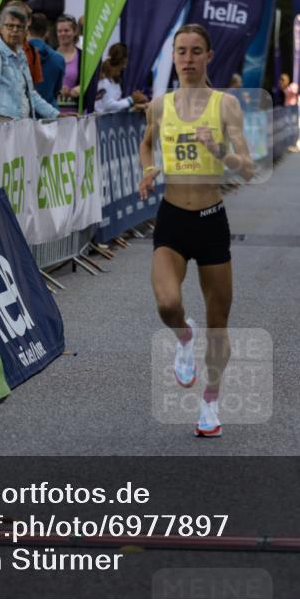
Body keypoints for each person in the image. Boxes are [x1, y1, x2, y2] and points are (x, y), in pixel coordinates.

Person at [137, 24, 255, 438]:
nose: (187, 59)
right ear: (174, 57)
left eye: (195, 52)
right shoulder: (160, 105)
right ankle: (184, 337)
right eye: (180, 51)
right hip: (172, 218)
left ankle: (210, 400)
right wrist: (149, 169)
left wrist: (218, 149)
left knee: (219, 322)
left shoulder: (225, 107)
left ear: (208, 57)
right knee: (168, 304)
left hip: (210, 222)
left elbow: (248, 167)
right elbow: (147, 143)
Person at [0, 6, 59, 125]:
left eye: (20, 27)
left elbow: (30, 94)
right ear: (0, 28)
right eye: (9, 26)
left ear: (26, 31)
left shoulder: (21, 54)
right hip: (0, 124)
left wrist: (55, 114)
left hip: (20, 124)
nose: (15, 30)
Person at [94, 43, 148, 113]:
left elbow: (117, 104)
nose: (125, 67)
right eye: (123, 64)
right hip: (99, 122)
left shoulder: (114, 80)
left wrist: (134, 104)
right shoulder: (103, 80)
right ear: (120, 61)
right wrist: (131, 99)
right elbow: (108, 105)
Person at [27, 14, 65, 107]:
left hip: (24, 114)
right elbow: (57, 89)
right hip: (50, 112)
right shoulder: (59, 58)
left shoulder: (18, 55)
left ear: (27, 31)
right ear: (47, 33)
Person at [55, 14, 82, 112]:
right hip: (53, 114)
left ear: (75, 32)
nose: (63, 34)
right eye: (59, 31)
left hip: (77, 114)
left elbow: (92, 81)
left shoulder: (82, 57)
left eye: (66, 30)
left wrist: (81, 88)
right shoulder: (48, 55)